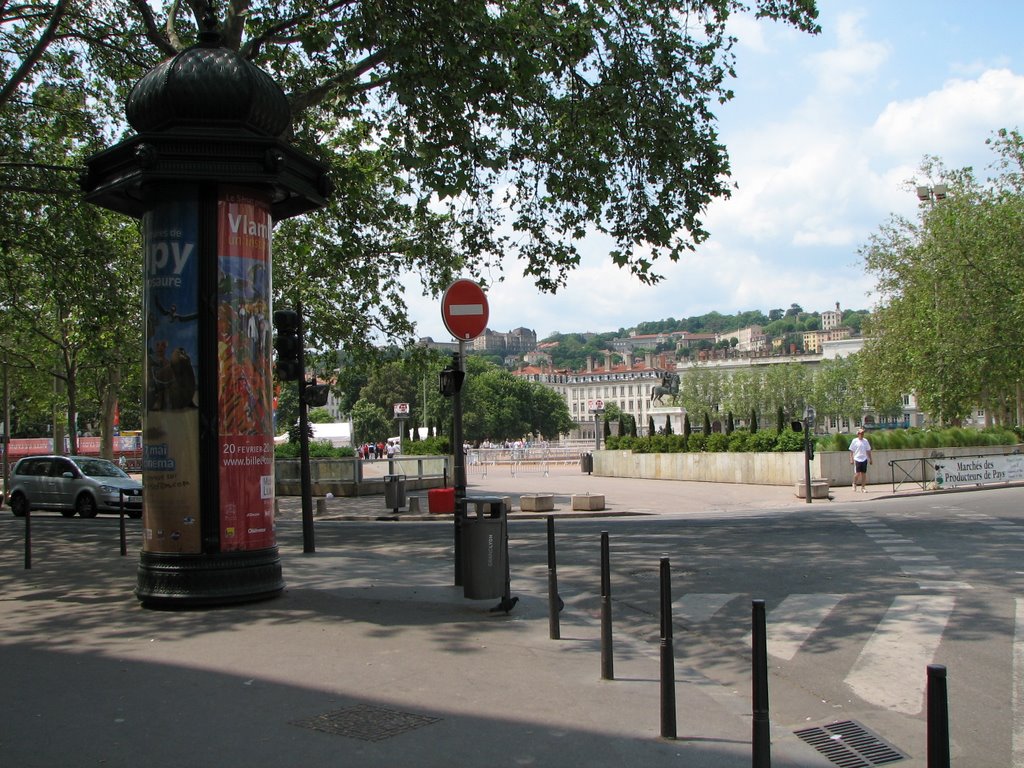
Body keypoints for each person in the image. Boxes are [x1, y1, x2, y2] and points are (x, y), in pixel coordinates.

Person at [849, 427, 872, 492]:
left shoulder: (865, 441)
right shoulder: (854, 441)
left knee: (863, 474)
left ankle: (863, 487)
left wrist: (870, 459)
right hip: (857, 458)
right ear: (858, 434)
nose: (862, 434)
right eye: (860, 433)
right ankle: (854, 483)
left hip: (864, 458)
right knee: (857, 473)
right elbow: (851, 450)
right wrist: (851, 459)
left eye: (863, 433)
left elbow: (868, 450)